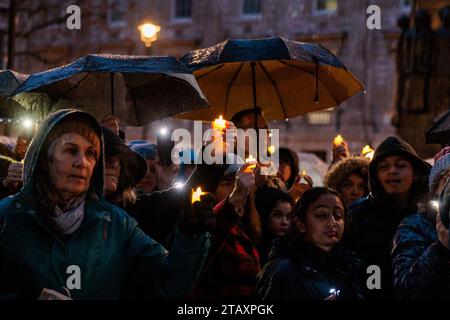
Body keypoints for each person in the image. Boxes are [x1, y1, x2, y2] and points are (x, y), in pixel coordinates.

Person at [0, 109, 212, 300]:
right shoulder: (8, 218)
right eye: (70, 150)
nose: (82, 162)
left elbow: (168, 286)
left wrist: (190, 232)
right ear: (46, 160)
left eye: (91, 153)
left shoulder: (117, 225)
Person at [345, 136, 431, 299]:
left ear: (414, 171)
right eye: (384, 167)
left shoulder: (429, 215)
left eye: (400, 165)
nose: (392, 171)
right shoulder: (356, 214)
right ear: (375, 176)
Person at [255, 187, 365, 300]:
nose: (332, 223)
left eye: (338, 215)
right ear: (301, 224)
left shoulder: (351, 266)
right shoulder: (283, 270)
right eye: (321, 215)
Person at [192, 155, 262, 300]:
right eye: (227, 182)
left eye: (240, 182)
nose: (238, 188)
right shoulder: (200, 226)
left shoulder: (245, 229)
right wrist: (233, 200)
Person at [392, 146, 450, 299]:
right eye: (447, 178)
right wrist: (441, 248)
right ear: (436, 188)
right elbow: (405, 289)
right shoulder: (415, 226)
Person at [255, 186, 294, 265]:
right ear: (264, 214)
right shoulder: (252, 250)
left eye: (288, 216)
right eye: (277, 215)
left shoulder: (292, 249)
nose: (285, 222)